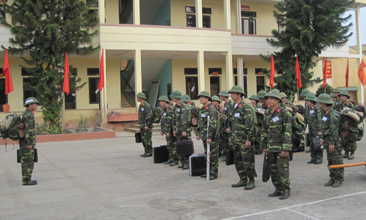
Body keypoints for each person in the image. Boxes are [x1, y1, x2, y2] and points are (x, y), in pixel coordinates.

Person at [261, 90, 292, 200]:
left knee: (282, 170)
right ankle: (278, 188)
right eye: (267, 98)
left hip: (280, 148)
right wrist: (264, 146)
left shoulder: (284, 113)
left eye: (271, 98)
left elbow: (287, 132)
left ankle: (285, 190)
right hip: (270, 147)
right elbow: (264, 130)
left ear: (278, 100)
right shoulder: (267, 113)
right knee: (273, 170)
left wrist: (286, 148)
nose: (268, 100)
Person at [227, 86, 256, 190]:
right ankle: (243, 179)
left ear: (239, 95)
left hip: (244, 140)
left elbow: (250, 125)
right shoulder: (232, 107)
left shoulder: (245, 107)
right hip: (236, 140)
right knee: (238, 161)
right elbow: (231, 125)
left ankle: (251, 180)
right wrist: (231, 139)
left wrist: (249, 139)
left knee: (248, 161)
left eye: (233, 93)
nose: (231, 95)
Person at [317, 94, 344, 188]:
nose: (318, 103)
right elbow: (326, 128)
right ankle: (332, 177)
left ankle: (338, 179)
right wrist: (324, 139)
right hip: (328, 140)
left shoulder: (332, 114)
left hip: (334, 141)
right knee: (330, 160)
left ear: (322, 103)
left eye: (319, 102)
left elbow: (334, 130)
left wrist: (332, 143)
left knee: (337, 160)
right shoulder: (326, 113)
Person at [195, 91, 219, 180]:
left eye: (203, 97)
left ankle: (213, 173)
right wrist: (198, 133)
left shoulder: (211, 109)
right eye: (200, 97)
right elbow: (200, 122)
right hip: (204, 135)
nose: (201, 99)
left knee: (213, 155)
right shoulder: (202, 109)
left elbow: (213, 124)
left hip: (211, 137)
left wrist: (210, 136)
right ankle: (208, 170)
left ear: (207, 99)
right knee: (207, 154)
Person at [20, 97, 39, 185]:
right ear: (30, 105)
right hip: (27, 143)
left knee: (25, 161)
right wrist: (29, 143)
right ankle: (27, 180)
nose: (36, 105)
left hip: (24, 142)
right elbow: (28, 130)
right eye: (35, 104)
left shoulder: (26, 114)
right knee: (28, 162)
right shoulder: (29, 115)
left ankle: (25, 179)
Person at [171, 90, 192, 170]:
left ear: (177, 97)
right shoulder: (175, 107)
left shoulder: (184, 107)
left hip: (184, 130)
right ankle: (183, 162)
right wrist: (174, 129)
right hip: (178, 130)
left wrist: (184, 130)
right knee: (179, 147)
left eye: (173, 97)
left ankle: (187, 163)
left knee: (185, 147)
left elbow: (184, 120)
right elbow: (174, 119)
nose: (172, 98)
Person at [334, 91, 356, 159]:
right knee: (344, 139)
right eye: (341, 96)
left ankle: (352, 152)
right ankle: (346, 152)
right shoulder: (339, 105)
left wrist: (348, 124)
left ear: (346, 97)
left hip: (350, 125)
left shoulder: (350, 104)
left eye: (343, 96)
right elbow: (336, 113)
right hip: (341, 124)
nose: (342, 97)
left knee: (351, 139)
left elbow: (353, 115)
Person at [158, 96, 178, 166]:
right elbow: (163, 121)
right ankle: (170, 158)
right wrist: (162, 130)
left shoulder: (170, 110)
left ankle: (175, 159)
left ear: (165, 102)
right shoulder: (164, 110)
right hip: (166, 131)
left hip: (170, 131)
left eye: (161, 102)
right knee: (169, 145)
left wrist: (169, 131)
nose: (160, 103)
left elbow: (171, 122)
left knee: (172, 145)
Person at [303, 94, 323, 164]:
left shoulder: (316, 108)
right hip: (311, 130)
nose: (306, 102)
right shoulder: (307, 109)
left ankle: (319, 158)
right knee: (312, 144)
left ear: (312, 101)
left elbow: (319, 119)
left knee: (317, 144)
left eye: (308, 101)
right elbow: (305, 120)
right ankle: (313, 158)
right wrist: (303, 129)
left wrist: (320, 130)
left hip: (317, 129)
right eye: (306, 101)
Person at [219, 90, 234, 161]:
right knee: (225, 140)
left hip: (229, 125)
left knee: (230, 140)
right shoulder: (226, 104)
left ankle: (231, 156)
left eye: (221, 96)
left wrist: (229, 127)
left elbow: (230, 116)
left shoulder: (230, 104)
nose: (220, 97)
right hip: (225, 125)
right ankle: (226, 153)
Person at [137, 92, 153, 157]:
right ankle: (146, 151)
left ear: (141, 98)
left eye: (138, 97)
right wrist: (140, 125)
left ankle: (149, 152)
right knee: (143, 139)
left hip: (146, 126)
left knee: (147, 139)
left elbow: (149, 115)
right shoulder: (141, 105)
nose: (137, 98)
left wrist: (147, 124)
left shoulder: (146, 105)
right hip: (142, 125)